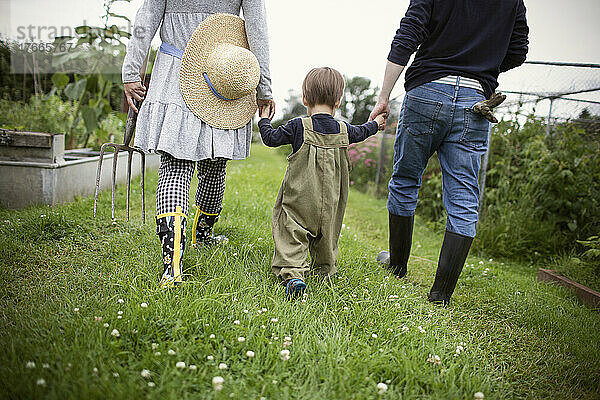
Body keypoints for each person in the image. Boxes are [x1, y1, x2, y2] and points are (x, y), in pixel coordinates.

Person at [371, 0, 529, 305]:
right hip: (476, 99)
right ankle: (441, 294)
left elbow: (407, 35)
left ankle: (398, 265)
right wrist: (483, 62)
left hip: (427, 89)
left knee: (405, 180)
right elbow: (518, 50)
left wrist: (384, 96)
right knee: (464, 198)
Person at [122, 1, 274, 288]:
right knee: (215, 167)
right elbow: (257, 30)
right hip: (224, 79)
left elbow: (145, 21)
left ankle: (172, 267)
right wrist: (263, 86)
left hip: (175, 75)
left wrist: (131, 73)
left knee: (174, 170)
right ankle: (202, 237)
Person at [258, 67, 386, 297]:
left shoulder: (299, 126)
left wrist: (265, 120)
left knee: (291, 231)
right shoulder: (344, 130)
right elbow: (364, 131)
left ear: (305, 98)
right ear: (338, 101)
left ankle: (293, 274)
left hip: (300, 198)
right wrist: (377, 123)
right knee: (328, 234)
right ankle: (324, 271)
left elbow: (270, 139)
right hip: (331, 202)